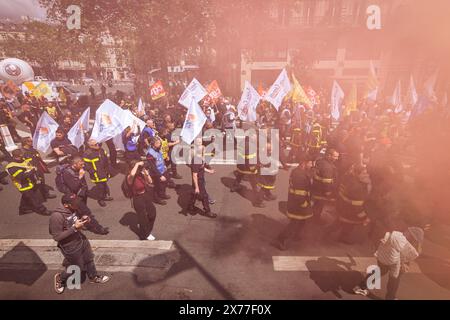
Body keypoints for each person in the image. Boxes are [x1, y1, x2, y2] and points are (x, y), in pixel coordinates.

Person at [51, 194, 111, 294]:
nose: (78, 204)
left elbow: (77, 218)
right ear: (66, 205)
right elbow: (57, 237)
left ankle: (93, 276)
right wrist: (74, 228)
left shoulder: (74, 208)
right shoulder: (56, 216)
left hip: (81, 239)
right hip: (69, 245)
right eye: (75, 203)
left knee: (89, 259)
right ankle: (60, 278)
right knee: (76, 267)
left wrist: (84, 218)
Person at [353, 227, 424, 300]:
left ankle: (361, 287)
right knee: (394, 280)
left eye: (408, 231)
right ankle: (390, 297)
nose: (405, 231)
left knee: (380, 271)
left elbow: (383, 240)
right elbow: (405, 258)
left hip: (384, 258)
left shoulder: (396, 235)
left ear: (410, 235)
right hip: (395, 263)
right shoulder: (410, 247)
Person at [57, 157, 109, 235]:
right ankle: (98, 228)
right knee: (86, 212)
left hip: (82, 193)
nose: (83, 166)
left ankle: (81, 223)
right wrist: (80, 177)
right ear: (74, 165)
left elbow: (88, 168)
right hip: (74, 196)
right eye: (81, 164)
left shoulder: (79, 168)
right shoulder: (67, 173)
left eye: (83, 164)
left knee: (79, 211)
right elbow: (74, 187)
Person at [273, 155, 313, 250]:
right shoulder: (299, 175)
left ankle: (296, 235)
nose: (312, 165)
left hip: (300, 202)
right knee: (294, 223)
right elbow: (299, 192)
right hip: (298, 204)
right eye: (310, 163)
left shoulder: (299, 171)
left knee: (302, 221)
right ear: (304, 163)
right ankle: (280, 239)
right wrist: (304, 203)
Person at [5, 149, 52, 216]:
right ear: (19, 155)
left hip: (31, 182)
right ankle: (43, 210)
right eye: (22, 155)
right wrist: (32, 171)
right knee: (34, 199)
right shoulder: (11, 167)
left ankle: (23, 209)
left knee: (26, 196)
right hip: (23, 185)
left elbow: (28, 165)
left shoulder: (22, 160)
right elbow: (21, 176)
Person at [230, 134, 264, 208]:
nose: (256, 137)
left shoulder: (242, 143)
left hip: (241, 165)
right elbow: (250, 159)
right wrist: (253, 168)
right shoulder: (250, 146)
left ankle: (235, 187)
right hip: (248, 168)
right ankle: (257, 202)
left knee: (239, 175)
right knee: (254, 184)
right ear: (251, 137)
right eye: (255, 136)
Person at [126, 161, 157, 240]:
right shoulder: (129, 177)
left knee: (152, 213)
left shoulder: (140, 174)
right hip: (137, 198)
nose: (139, 170)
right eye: (138, 169)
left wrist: (146, 173)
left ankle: (147, 230)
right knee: (142, 217)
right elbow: (132, 174)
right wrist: (137, 164)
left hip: (145, 195)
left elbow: (150, 181)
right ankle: (144, 235)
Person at [187, 137, 217, 218]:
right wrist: (197, 187)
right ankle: (207, 211)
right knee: (204, 195)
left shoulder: (200, 155)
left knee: (194, 193)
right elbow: (194, 175)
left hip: (199, 176)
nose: (201, 145)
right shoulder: (196, 158)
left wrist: (208, 170)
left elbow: (201, 167)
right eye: (199, 143)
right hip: (198, 179)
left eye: (201, 142)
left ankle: (190, 206)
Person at [21, 136, 56, 200]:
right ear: (26, 142)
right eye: (30, 141)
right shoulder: (23, 153)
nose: (32, 142)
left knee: (42, 182)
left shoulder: (32, 149)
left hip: (38, 169)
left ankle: (45, 194)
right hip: (32, 171)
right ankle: (36, 198)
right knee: (35, 184)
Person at [82, 139, 113, 207]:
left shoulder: (101, 150)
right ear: (90, 146)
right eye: (95, 144)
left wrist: (108, 169)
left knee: (104, 185)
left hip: (104, 172)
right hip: (96, 174)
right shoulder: (87, 154)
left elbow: (106, 161)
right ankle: (100, 199)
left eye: (98, 143)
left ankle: (104, 196)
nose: (98, 145)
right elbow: (85, 165)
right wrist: (92, 171)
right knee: (100, 187)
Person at [311, 148, 339, 223]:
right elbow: (327, 181)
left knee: (316, 204)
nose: (337, 158)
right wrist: (328, 192)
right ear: (329, 155)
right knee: (319, 205)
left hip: (316, 187)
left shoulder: (320, 161)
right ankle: (315, 219)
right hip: (321, 191)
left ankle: (312, 214)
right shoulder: (327, 167)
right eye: (335, 156)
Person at [146, 138, 172, 205]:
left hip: (162, 170)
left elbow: (160, 158)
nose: (160, 144)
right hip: (156, 173)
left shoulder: (158, 149)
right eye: (158, 143)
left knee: (164, 184)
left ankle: (162, 194)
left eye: (159, 143)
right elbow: (153, 167)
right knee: (157, 186)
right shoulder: (150, 153)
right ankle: (157, 199)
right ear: (153, 144)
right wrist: (160, 175)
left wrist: (164, 165)